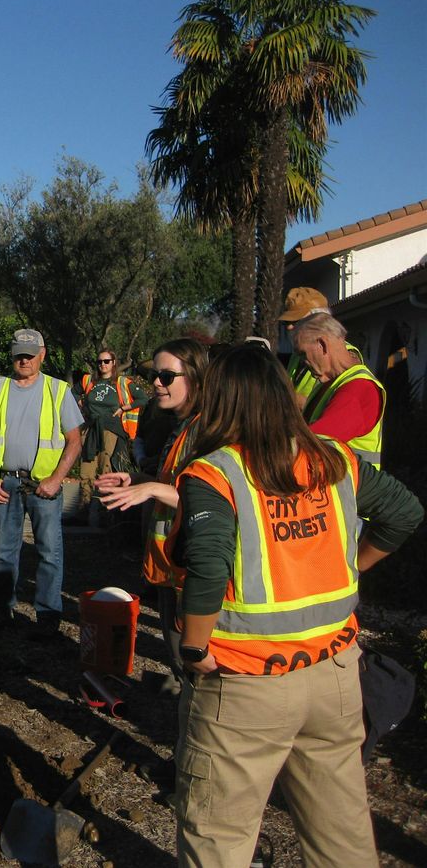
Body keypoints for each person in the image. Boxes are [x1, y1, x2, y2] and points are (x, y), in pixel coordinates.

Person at [169, 344, 422, 867]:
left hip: (246, 682)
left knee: (218, 837)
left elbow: (209, 567)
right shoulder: (334, 459)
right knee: (341, 834)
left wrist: (192, 649)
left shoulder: (217, 472)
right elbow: (404, 512)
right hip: (335, 673)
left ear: (220, 400)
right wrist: (355, 564)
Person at [96, 338, 208, 694]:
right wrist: (138, 480)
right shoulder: (184, 425)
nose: (156, 383)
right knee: (179, 660)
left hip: (191, 570)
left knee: (195, 672)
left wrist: (153, 490)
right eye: (154, 376)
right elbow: (175, 483)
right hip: (171, 569)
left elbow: (213, 501)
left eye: (166, 376)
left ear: (195, 377)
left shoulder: (207, 431)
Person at [0, 329, 83, 638]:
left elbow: (75, 440)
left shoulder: (57, 390)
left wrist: (56, 479)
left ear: (42, 355)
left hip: (43, 488)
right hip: (6, 485)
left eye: (30, 355)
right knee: (4, 552)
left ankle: (47, 618)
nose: (24, 360)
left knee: (49, 553)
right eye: (19, 355)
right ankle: (1, 610)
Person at [292, 312, 386, 469]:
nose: (303, 362)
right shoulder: (333, 384)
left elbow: (313, 443)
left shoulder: (359, 389)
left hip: (352, 485)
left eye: (303, 354)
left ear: (322, 345)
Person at [75, 348, 147, 523]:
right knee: (86, 469)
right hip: (91, 429)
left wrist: (124, 408)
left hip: (111, 430)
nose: (103, 365)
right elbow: (73, 393)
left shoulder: (122, 382)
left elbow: (143, 398)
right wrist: (80, 402)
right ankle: (83, 511)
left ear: (113, 363)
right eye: (100, 361)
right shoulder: (88, 380)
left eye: (106, 361)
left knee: (106, 470)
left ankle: (105, 513)